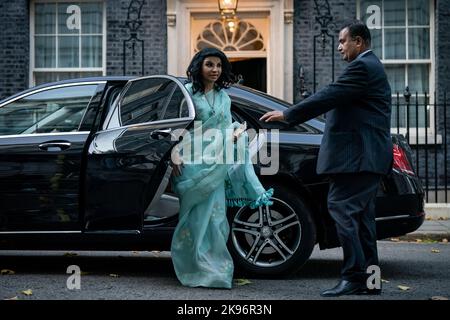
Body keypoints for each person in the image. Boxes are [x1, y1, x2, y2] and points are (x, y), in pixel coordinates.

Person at [260, 20, 392, 297]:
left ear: (359, 41)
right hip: (365, 159)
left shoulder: (362, 67)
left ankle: (354, 276)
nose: (340, 47)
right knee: (362, 220)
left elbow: (328, 96)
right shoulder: (370, 67)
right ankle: (371, 281)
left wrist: (288, 114)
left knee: (341, 208)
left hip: (359, 159)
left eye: (343, 41)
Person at [170, 47, 274, 289]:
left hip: (216, 163)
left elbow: (227, 128)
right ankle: (192, 266)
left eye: (218, 65)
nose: (215, 70)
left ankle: (214, 271)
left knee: (216, 219)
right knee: (193, 219)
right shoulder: (186, 93)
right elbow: (176, 127)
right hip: (191, 163)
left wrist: (237, 134)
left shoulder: (224, 97)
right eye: (209, 64)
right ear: (199, 66)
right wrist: (173, 154)